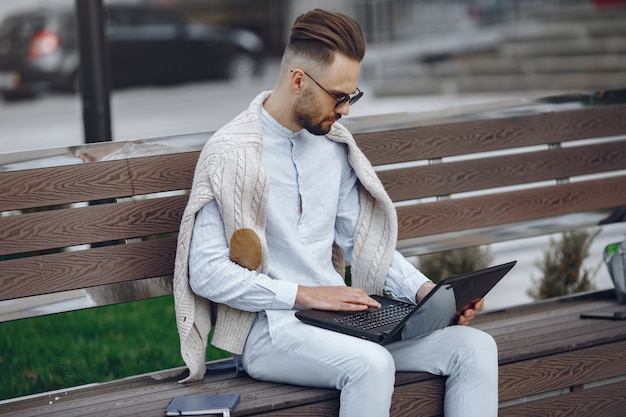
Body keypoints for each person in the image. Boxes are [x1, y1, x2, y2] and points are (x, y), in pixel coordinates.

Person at [173, 9, 498, 417]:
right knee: (371, 363)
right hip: (272, 331)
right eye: (339, 97)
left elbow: (365, 244)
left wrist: (428, 294)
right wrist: (305, 294)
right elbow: (206, 272)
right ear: (298, 81)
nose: (345, 109)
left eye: (352, 96)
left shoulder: (334, 147)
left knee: (474, 347)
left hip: (344, 322)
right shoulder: (231, 154)